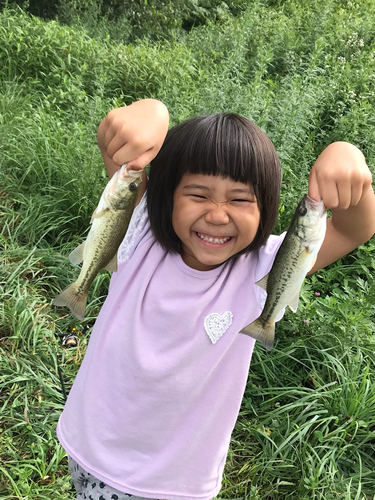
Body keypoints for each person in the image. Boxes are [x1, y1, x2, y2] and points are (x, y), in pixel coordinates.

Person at [57, 99, 375, 500]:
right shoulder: (138, 235)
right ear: (167, 196)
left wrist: (348, 157)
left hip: (177, 484)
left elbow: (353, 230)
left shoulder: (265, 266)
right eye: (198, 194)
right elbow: (121, 160)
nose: (218, 214)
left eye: (240, 199)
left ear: (266, 208)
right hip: (91, 452)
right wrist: (151, 113)